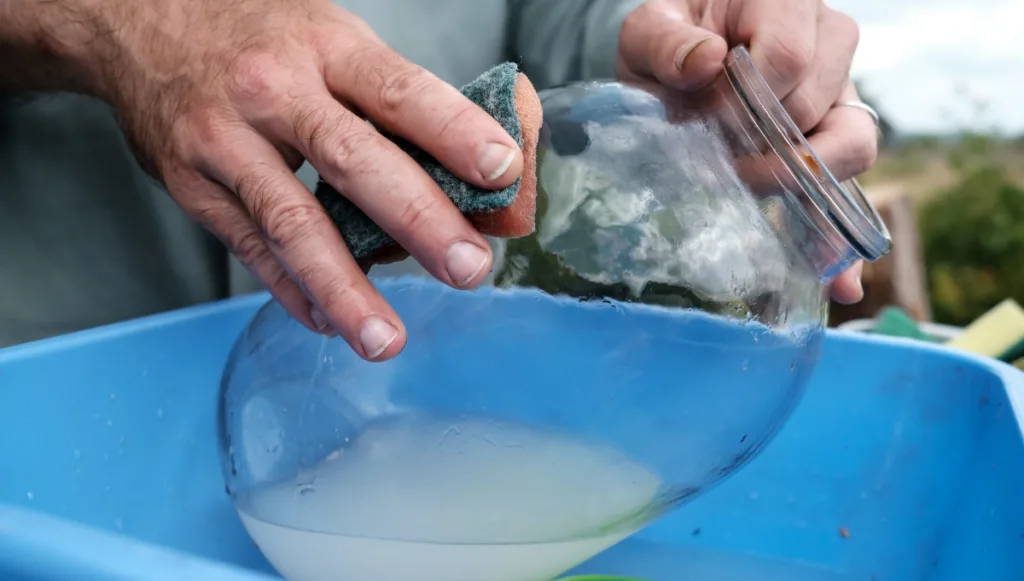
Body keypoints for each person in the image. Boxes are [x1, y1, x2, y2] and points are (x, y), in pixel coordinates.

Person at [0, 0, 877, 360]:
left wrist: (691, 39)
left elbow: (571, 14)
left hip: (422, 387)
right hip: (52, 382)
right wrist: (110, 24)